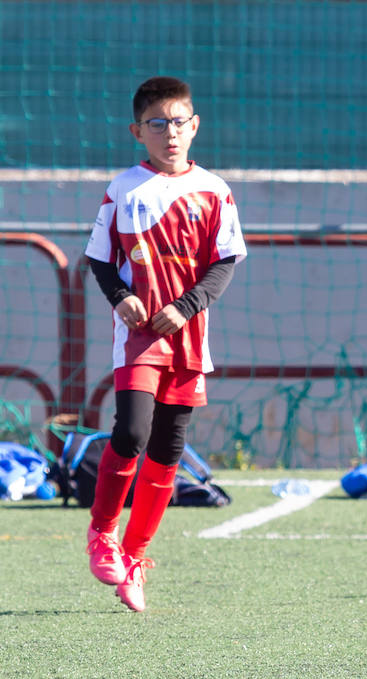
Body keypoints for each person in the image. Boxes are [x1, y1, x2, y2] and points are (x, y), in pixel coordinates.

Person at [83, 76, 245, 612]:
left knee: (168, 449)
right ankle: (103, 535)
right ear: (138, 131)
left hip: (189, 337)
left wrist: (187, 306)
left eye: (179, 122)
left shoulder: (216, 190)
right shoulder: (124, 188)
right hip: (139, 337)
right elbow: (100, 258)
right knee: (130, 432)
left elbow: (224, 262)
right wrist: (120, 297)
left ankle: (134, 554)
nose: (170, 132)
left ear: (194, 126)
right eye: (158, 123)